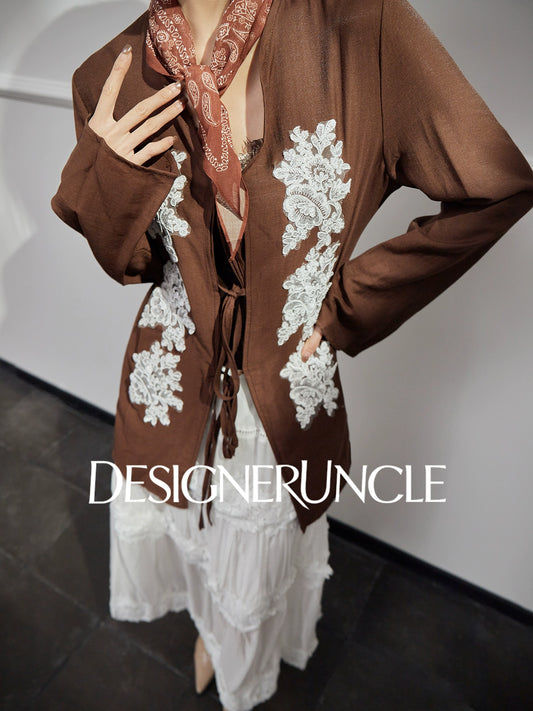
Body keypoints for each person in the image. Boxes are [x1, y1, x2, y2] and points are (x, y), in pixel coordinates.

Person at [51, 1, 533, 709]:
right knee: (187, 536)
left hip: (281, 393)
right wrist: (110, 175)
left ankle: (240, 660)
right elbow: (135, 263)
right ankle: (209, 632)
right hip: (172, 374)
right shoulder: (108, 76)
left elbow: (494, 183)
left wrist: (348, 307)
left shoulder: (357, 28)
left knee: (258, 557)